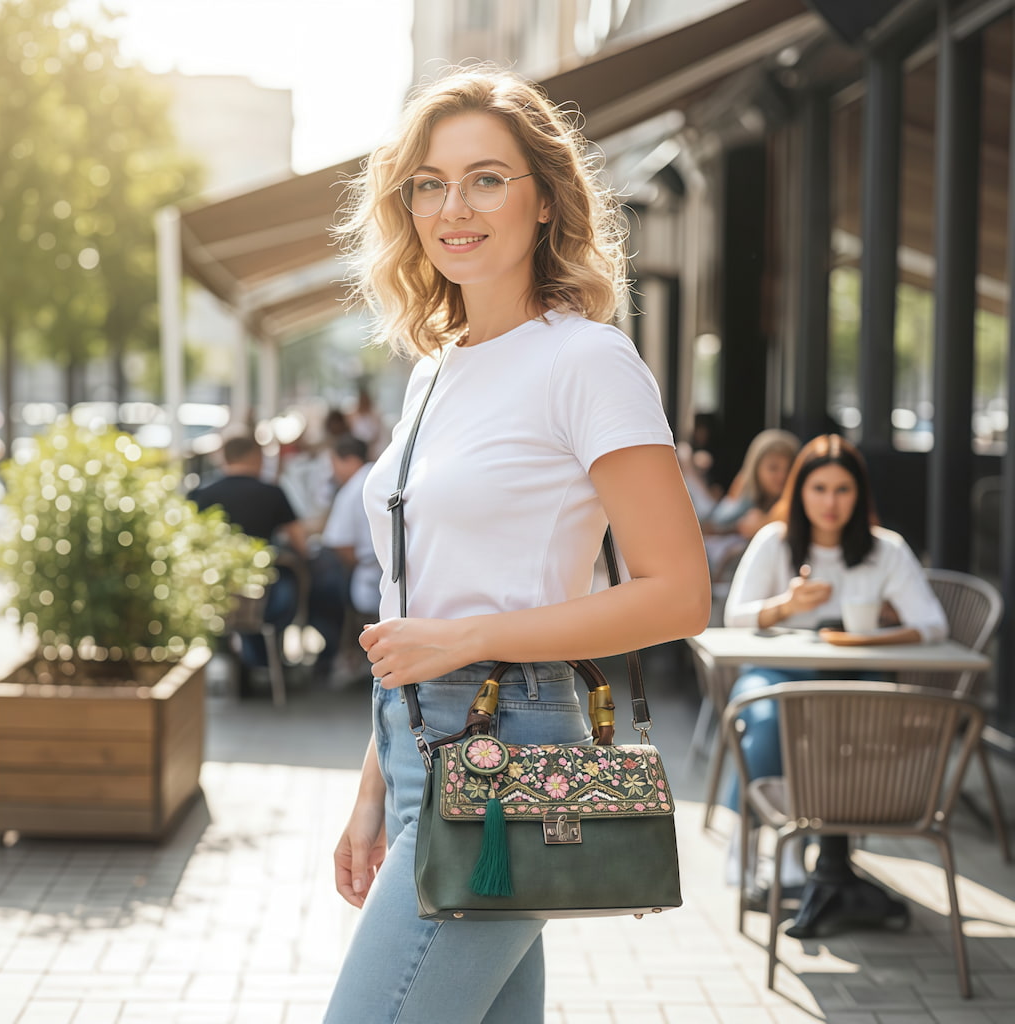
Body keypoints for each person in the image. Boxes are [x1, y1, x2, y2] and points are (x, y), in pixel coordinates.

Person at [321, 64, 710, 1024]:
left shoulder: (587, 359)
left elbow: (680, 594)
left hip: (511, 753)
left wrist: (463, 643)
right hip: (419, 744)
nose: (455, 206)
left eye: (487, 177)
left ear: (545, 201)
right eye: (429, 183)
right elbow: (415, 603)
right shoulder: (435, 371)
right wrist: (375, 787)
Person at [721, 433, 948, 937]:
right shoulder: (775, 542)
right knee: (764, 712)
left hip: (856, 676)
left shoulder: (885, 549)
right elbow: (735, 616)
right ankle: (754, 842)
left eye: (842, 489)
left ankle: (821, 857)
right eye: (819, 488)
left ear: (859, 493)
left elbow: (933, 625)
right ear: (800, 491)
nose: (829, 502)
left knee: (858, 717)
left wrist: (872, 638)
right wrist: (786, 606)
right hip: (782, 670)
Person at [188, 429, 346, 685]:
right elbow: (301, 545)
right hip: (266, 597)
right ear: (256, 457)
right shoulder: (271, 492)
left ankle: (251, 662)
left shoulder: (201, 495)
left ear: (224, 458)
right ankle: (315, 661)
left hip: (215, 595)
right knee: (315, 579)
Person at [317, 434, 379, 687]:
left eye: (334, 464)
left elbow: (341, 543)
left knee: (322, 596)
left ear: (349, 460)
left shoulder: (355, 487)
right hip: (386, 571)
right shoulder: (379, 476)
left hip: (369, 574)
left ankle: (342, 659)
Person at [700, 428, 799, 577]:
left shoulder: (798, 505)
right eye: (773, 468)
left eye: (789, 469)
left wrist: (763, 526)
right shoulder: (746, 493)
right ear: (756, 468)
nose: (782, 476)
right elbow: (714, 523)